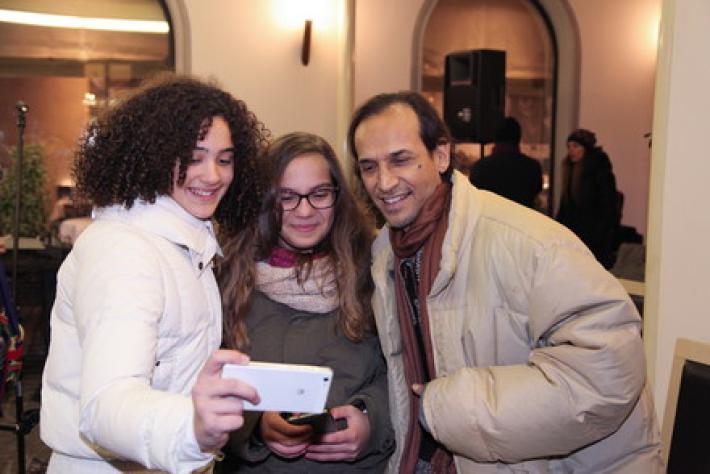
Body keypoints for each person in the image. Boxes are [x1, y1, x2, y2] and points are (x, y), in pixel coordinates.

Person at [347, 91, 662, 473]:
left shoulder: (531, 244)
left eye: (400, 160)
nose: (383, 182)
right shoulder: (386, 256)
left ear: (441, 155)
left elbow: (609, 371)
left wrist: (448, 409)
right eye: (369, 167)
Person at [40, 75, 266, 473]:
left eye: (224, 159)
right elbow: (107, 403)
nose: (213, 175)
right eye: (193, 157)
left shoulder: (185, 244)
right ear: (154, 156)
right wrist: (190, 428)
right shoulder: (125, 250)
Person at [217, 132, 394, 473]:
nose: (305, 210)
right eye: (286, 197)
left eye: (319, 194)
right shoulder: (228, 277)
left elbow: (405, 373)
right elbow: (200, 385)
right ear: (265, 200)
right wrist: (256, 427)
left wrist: (371, 420)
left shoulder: (375, 269)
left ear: (338, 196)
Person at [556, 128, 621, 268]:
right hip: (575, 235)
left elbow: (608, 206)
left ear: (586, 149)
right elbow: (565, 207)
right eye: (569, 146)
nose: (571, 150)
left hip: (594, 237)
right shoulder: (570, 171)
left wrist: (599, 235)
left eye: (575, 146)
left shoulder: (600, 171)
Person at [469, 116, 543, 209]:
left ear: (495, 137)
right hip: (521, 217)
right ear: (518, 138)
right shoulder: (532, 167)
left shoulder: (480, 168)